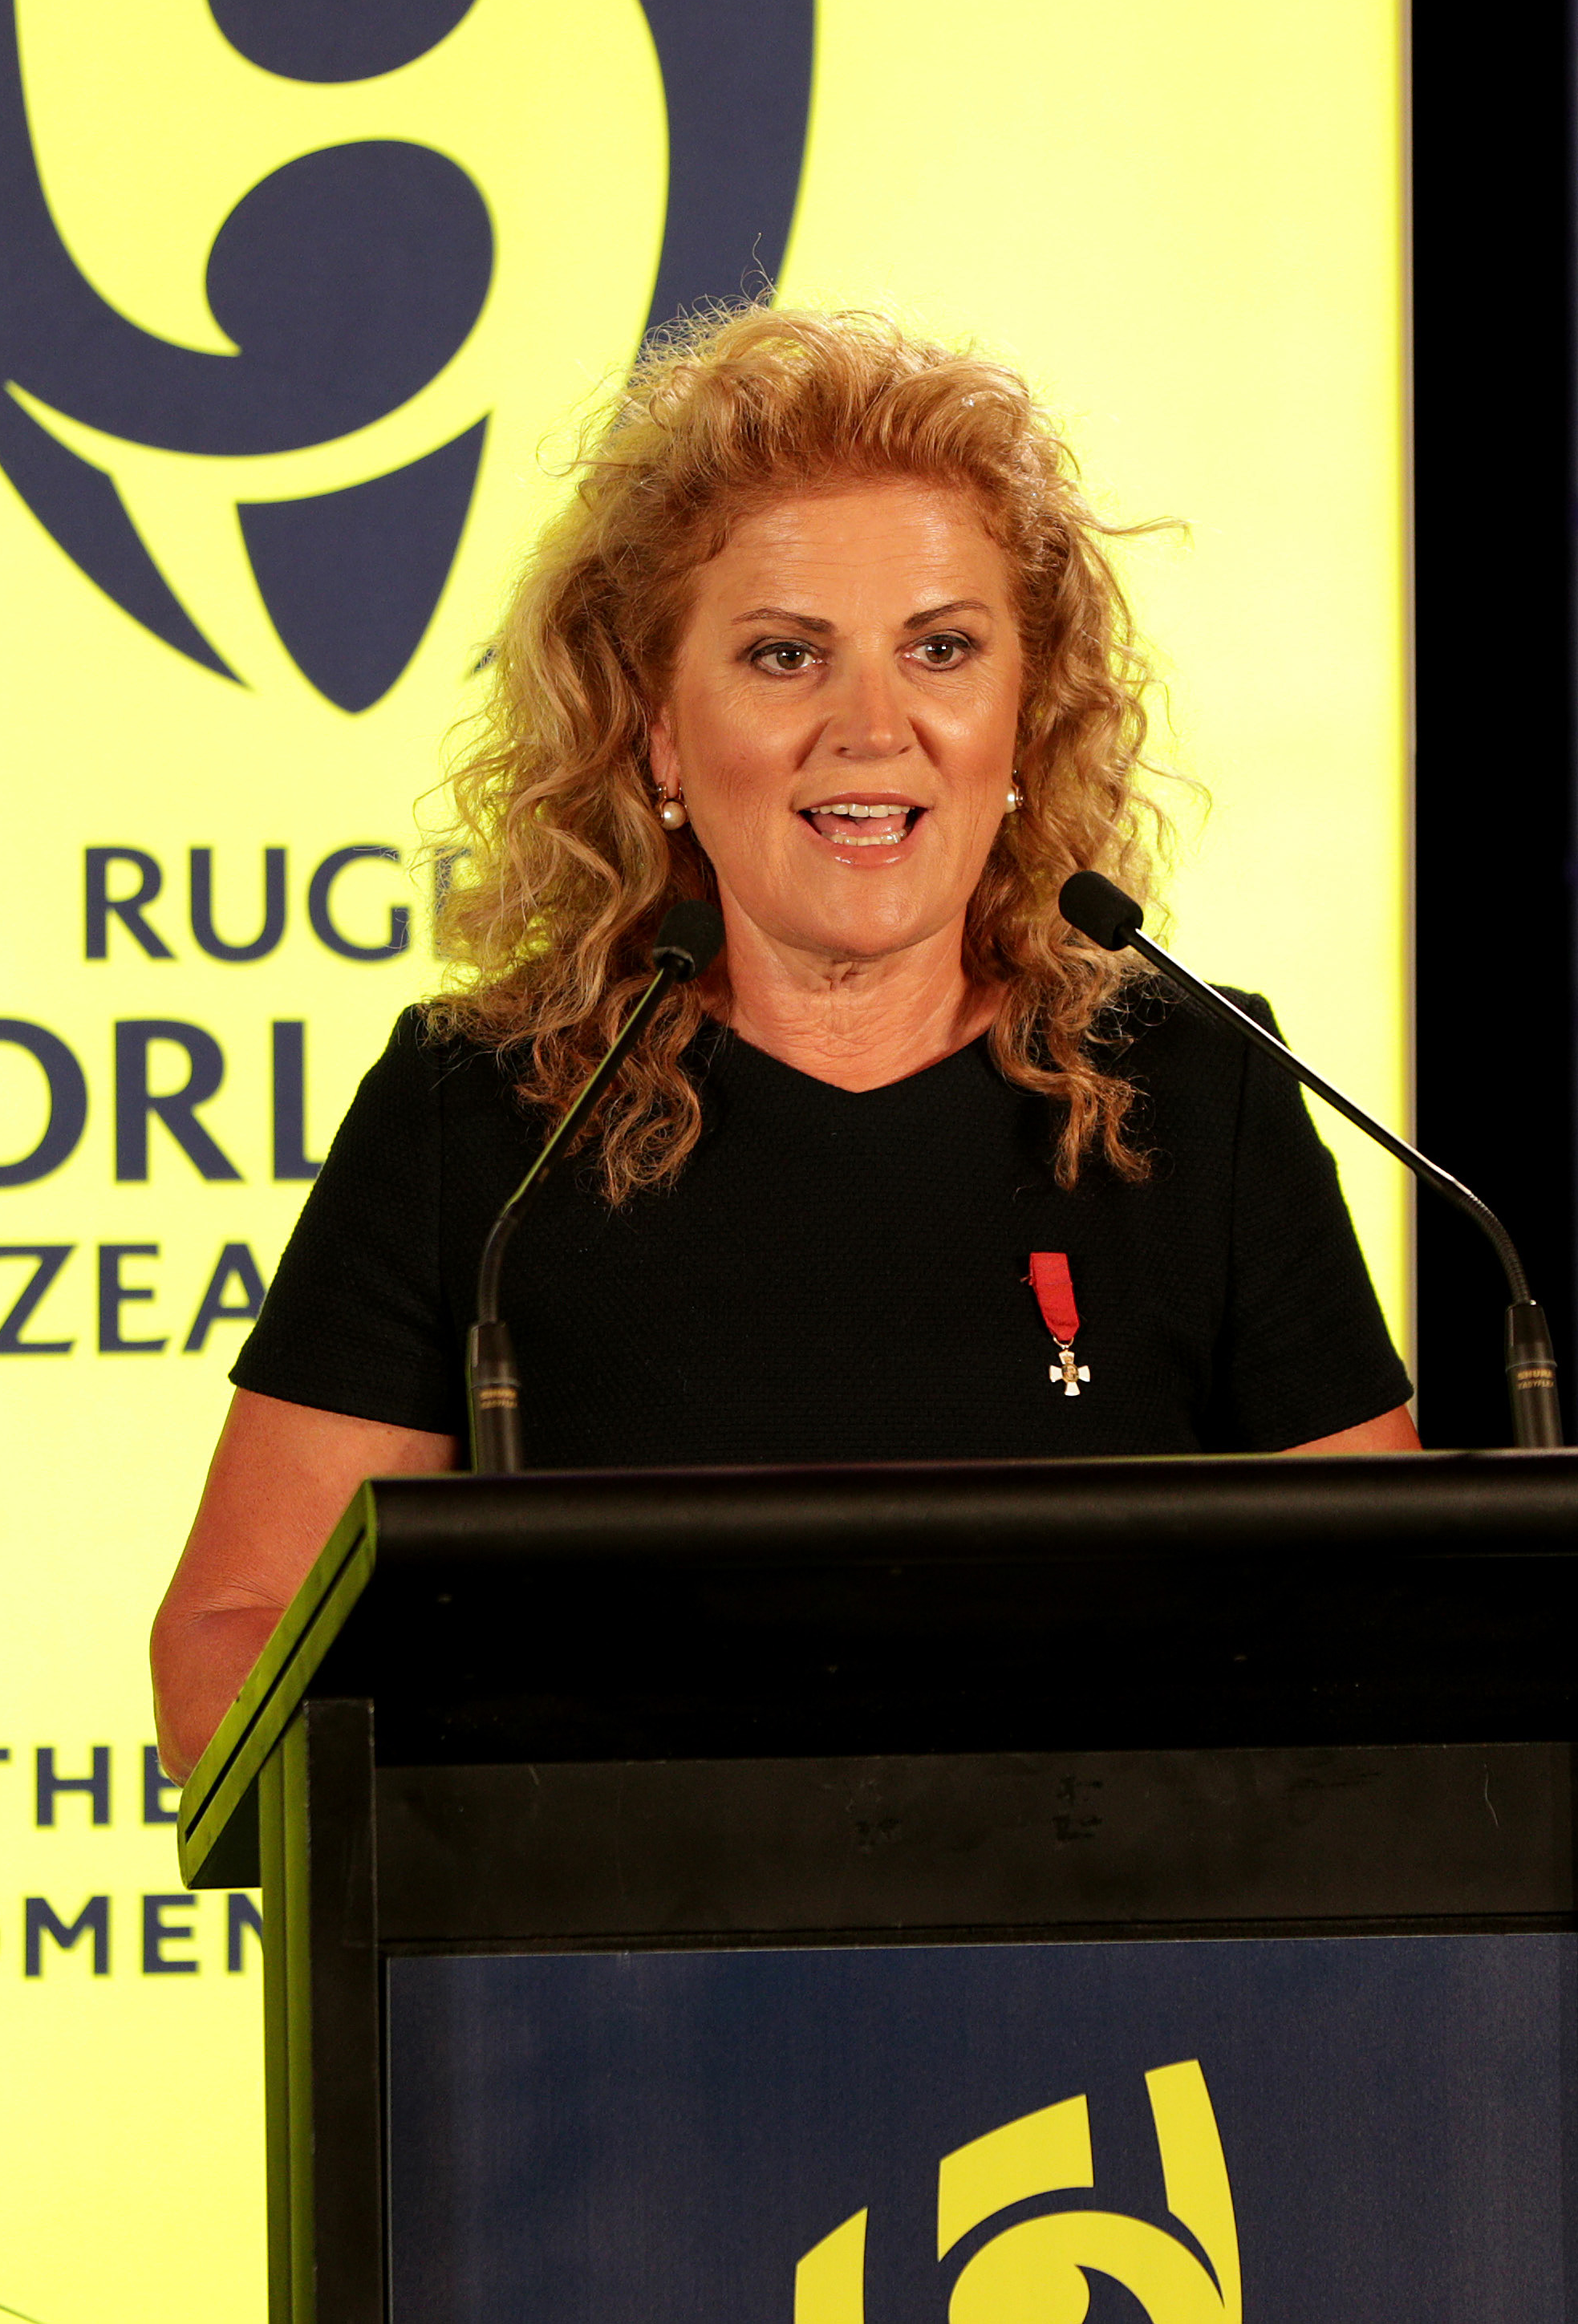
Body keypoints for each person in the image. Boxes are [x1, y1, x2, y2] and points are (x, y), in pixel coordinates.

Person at [151, 305, 1415, 1775]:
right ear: (659, 734)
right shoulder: (483, 1115)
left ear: (1025, 715)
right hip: (612, 1985)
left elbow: (1392, 1647)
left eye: (942, 648)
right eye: (783, 655)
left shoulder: (1198, 1090)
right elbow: (224, 1652)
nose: (872, 727)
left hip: (1122, 1983)